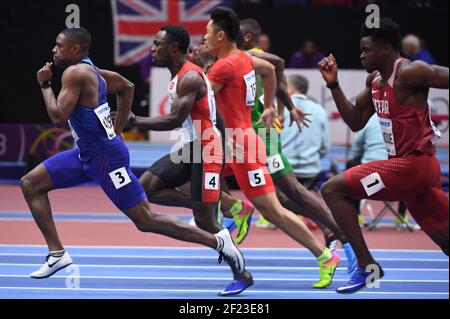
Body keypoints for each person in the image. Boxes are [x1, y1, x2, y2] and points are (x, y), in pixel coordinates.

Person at [21, 27, 247, 296]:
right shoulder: (93, 71)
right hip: (86, 154)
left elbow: (58, 116)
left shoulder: (76, 73)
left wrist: (45, 84)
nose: (54, 50)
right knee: (31, 183)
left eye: (59, 46)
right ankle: (57, 253)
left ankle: (218, 243)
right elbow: (127, 88)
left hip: (106, 159)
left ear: (76, 50)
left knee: (146, 220)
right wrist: (117, 129)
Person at [204, 7, 340, 289]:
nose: (203, 37)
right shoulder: (244, 58)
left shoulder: (222, 67)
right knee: (193, 174)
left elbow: (203, 104)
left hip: (242, 145)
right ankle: (236, 209)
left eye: (206, 32)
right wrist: (268, 107)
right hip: (240, 141)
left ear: (220, 35)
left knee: (273, 211)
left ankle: (324, 255)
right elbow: (271, 68)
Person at [318, 17, 449, 293]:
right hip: (410, 174)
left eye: (367, 50)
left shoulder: (411, 72)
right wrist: (333, 85)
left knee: (333, 190)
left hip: (413, 165)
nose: (362, 55)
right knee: (444, 238)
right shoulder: (374, 81)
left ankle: (367, 266)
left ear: (387, 49)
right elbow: (355, 121)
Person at [122, 25, 253, 295]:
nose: (152, 49)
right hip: (194, 147)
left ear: (173, 48)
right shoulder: (179, 76)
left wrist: (134, 121)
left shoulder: (190, 77)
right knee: (146, 188)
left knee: (205, 221)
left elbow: (174, 120)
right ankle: (206, 202)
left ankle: (241, 272)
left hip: (207, 149)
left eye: (157, 44)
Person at [237, 18, 356, 272]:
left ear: (246, 37)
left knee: (290, 191)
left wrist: (280, 109)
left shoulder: (251, 56)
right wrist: (287, 108)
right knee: (277, 198)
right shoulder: (237, 58)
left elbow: (277, 72)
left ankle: (343, 236)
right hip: (242, 136)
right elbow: (278, 82)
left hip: (260, 134)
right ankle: (230, 211)